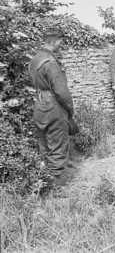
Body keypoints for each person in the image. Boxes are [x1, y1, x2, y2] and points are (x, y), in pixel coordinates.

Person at [29, 27, 74, 186]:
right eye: (60, 41)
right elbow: (62, 92)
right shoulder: (51, 63)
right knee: (58, 145)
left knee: (45, 146)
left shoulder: (35, 59)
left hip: (39, 104)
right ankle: (57, 188)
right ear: (54, 42)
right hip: (54, 107)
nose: (61, 44)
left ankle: (44, 182)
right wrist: (70, 109)